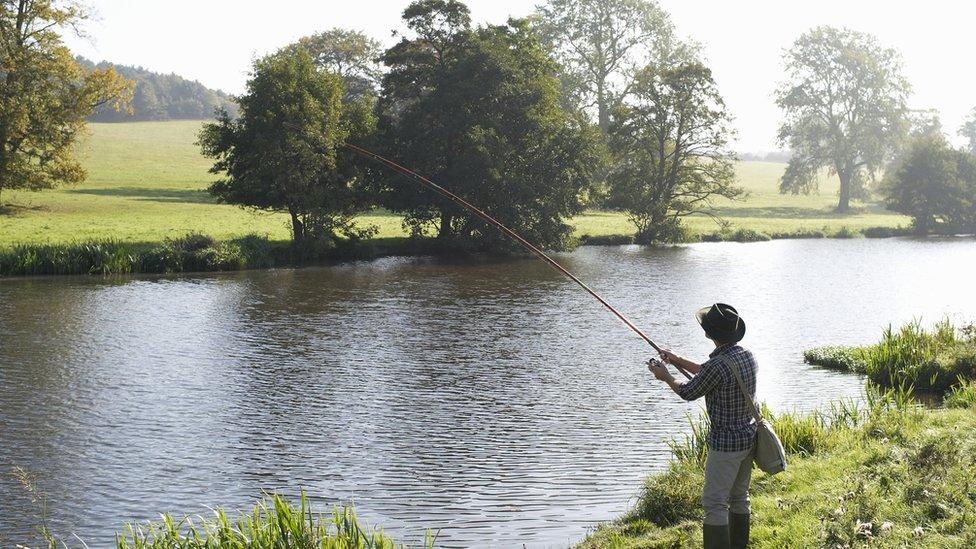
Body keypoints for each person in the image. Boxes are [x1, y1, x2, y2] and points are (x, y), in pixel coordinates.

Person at [647, 303, 758, 549]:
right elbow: (708, 372)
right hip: (749, 439)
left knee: (715, 504)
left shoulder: (718, 365)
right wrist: (676, 359)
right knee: (740, 497)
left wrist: (665, 375)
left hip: (726, 445)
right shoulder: (745, 355)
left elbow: (688, 391)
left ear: (709, 334)